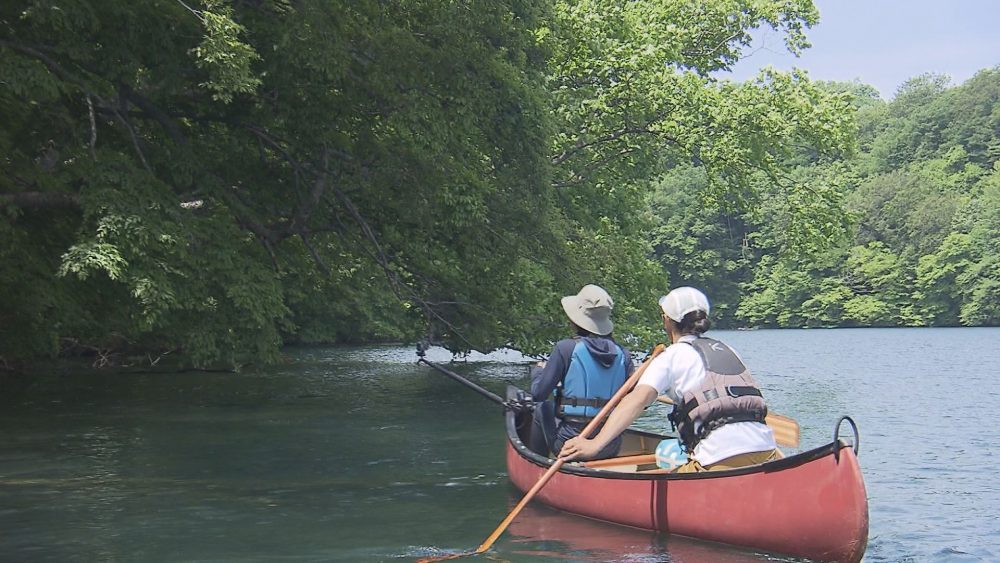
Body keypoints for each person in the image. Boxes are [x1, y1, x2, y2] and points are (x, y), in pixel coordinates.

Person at [560, 286, 781, 472]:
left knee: (668, 475)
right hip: (767, 453)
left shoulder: (669, 356)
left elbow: (636, 400)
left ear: (667, 320)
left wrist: (594, 445)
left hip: (718, 460)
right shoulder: (728, 349)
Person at [528, 284, 634, 460]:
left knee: (542, 407)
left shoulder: (565, 348)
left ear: (575, 320)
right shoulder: (624, 354)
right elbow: (636, 401)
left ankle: (536, 462)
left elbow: (539, 394)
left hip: (569, 445)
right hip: (609, 446)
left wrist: (538, 372)